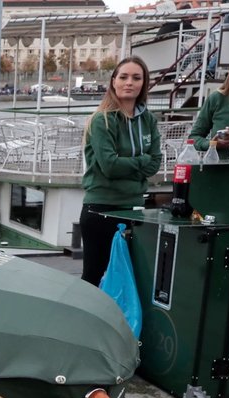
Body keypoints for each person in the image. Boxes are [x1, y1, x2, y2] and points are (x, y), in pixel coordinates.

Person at [79, 56, 162, 287]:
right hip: (101, 209)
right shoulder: (102, 121)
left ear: (144, 84)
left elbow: (155, 163)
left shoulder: (149, 121)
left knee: (130, 279)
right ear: (113, 82)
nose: (129, 82)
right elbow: (109, 166)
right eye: (123, 77)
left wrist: (134, 162)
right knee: (94, 277)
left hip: (135, 209)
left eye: (136, 78)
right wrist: (141, 161)